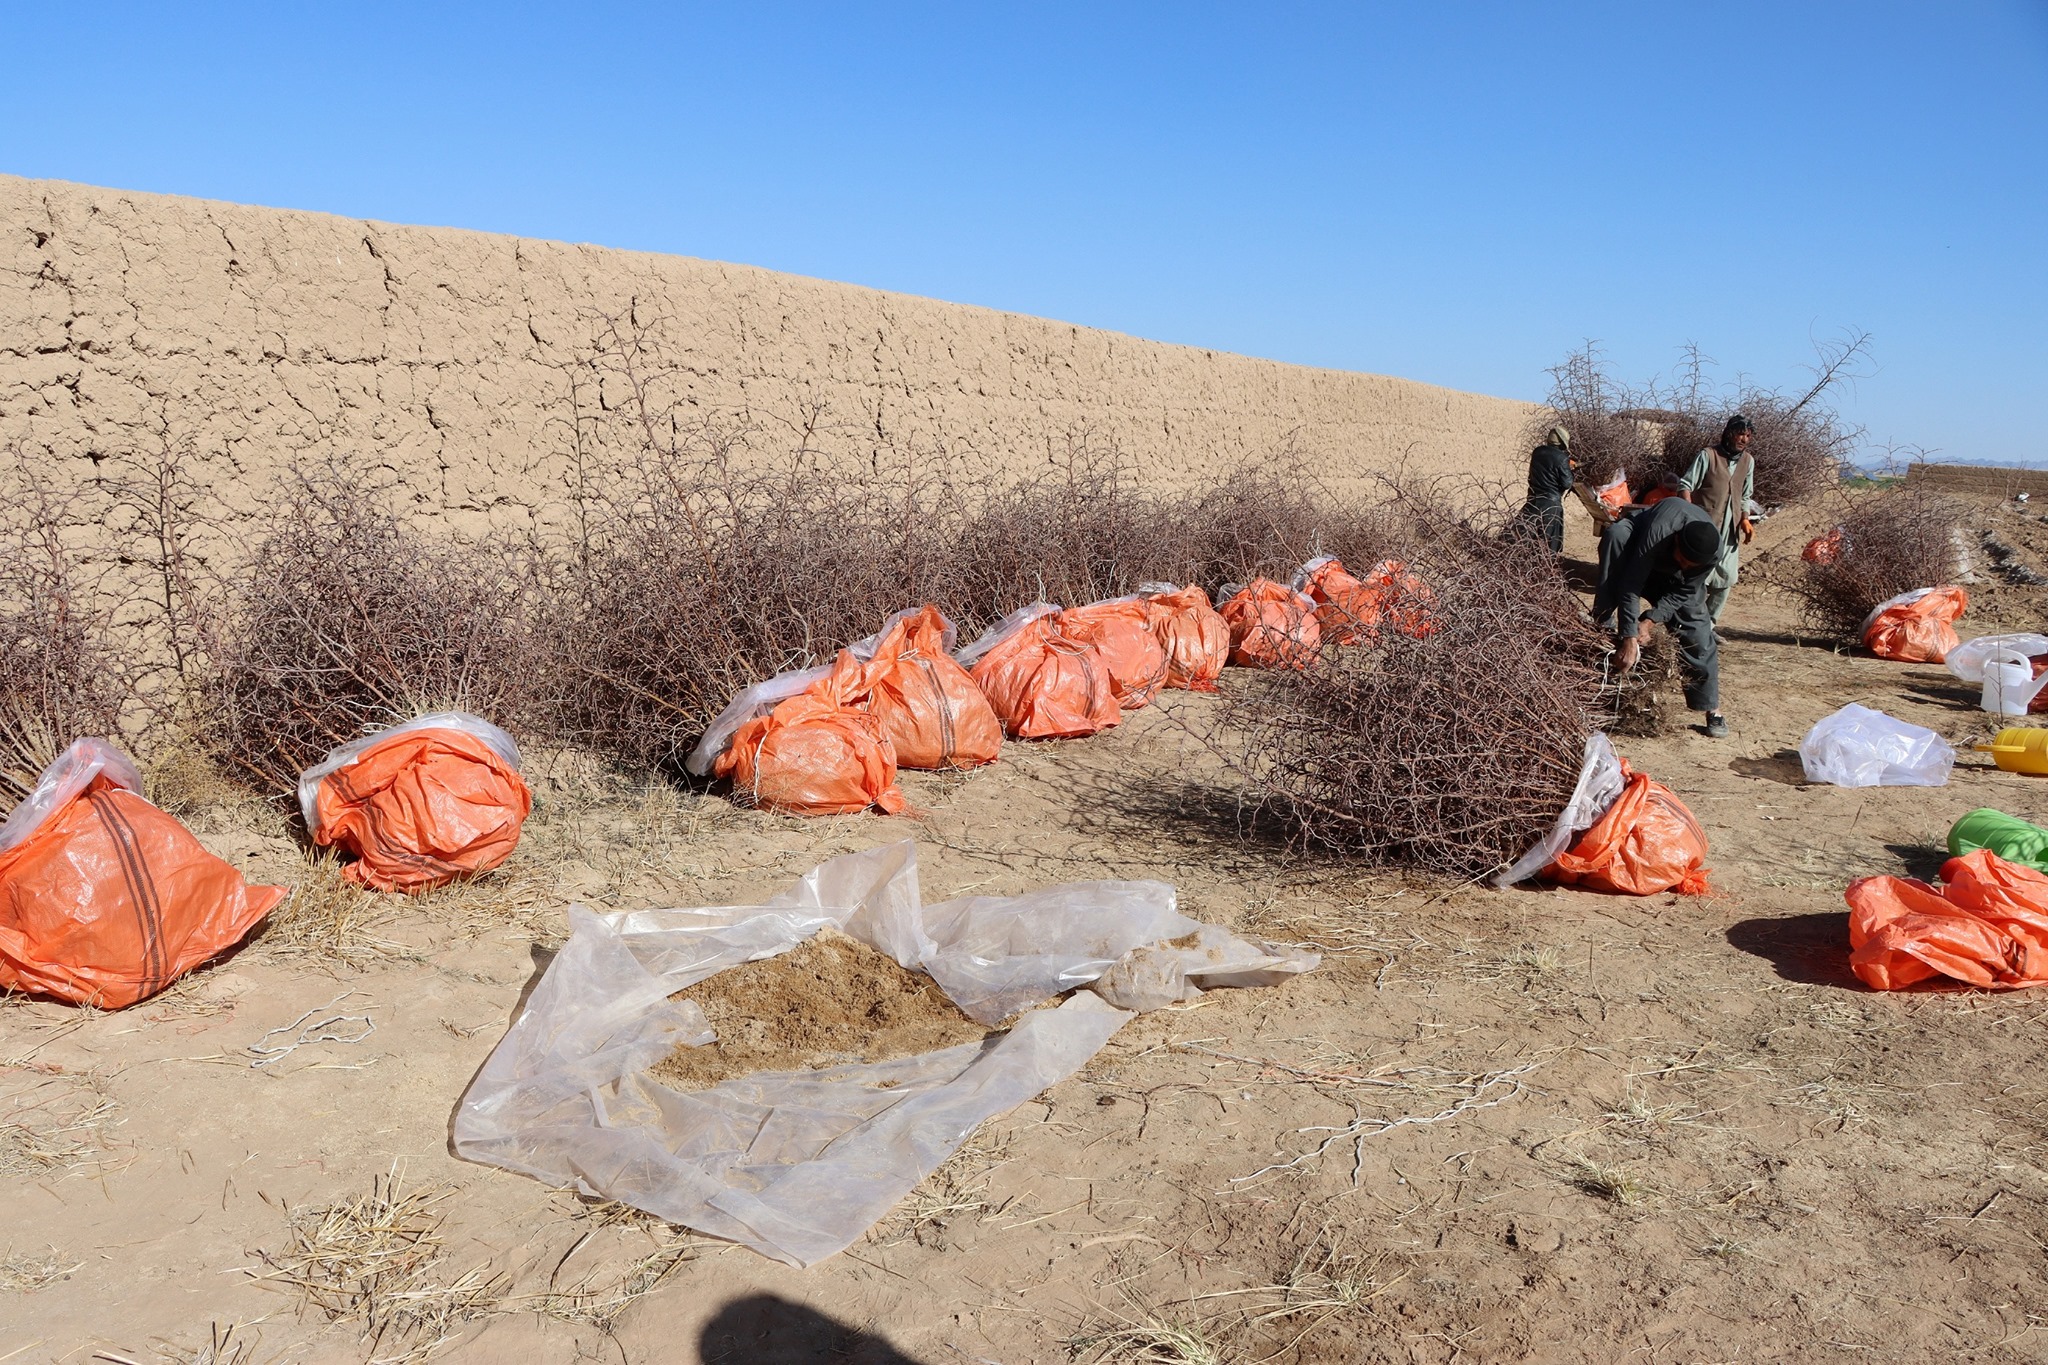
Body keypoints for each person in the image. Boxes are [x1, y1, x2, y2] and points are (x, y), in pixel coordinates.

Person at [1592, 495, 1730, 738]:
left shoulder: (1712, 552)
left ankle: (1711, 708)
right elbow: (1631, 584)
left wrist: (1648, 621)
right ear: (1676, 541)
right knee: (1615, 536)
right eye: (1684, 560)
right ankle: (1601, 631)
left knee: (1697, 630)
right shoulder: (1661, 530)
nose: (1687, 566)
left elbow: (1685, 590)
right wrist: (1629, 635)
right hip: (1636, 551)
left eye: (1692, 565)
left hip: (1673, 579)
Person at [1675, 414, 1756, 626]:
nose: (1744, 439)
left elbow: (1746, 495)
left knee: (1726, 579)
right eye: (1740, 434)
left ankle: (1709, 626)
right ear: (1729, 433)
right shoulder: (1708, 456)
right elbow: (1685, 485)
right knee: (1700, 578)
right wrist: (1689, 515)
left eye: (1748, 435)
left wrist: (1745, 519)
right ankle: (1690, 624)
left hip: (1730, 531)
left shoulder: (1748, 462)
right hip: (1705, 528)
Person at [1515, 424, 1612, 555]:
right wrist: (1569, 470)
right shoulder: (1562, 458)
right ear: (1562, 442)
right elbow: (1567, 483)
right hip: (1551, 506)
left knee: (1522, 538)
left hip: (1533, 501)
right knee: (1548, 546)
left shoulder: (1537, 452)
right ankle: (1544, 570)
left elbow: (1547, 467)